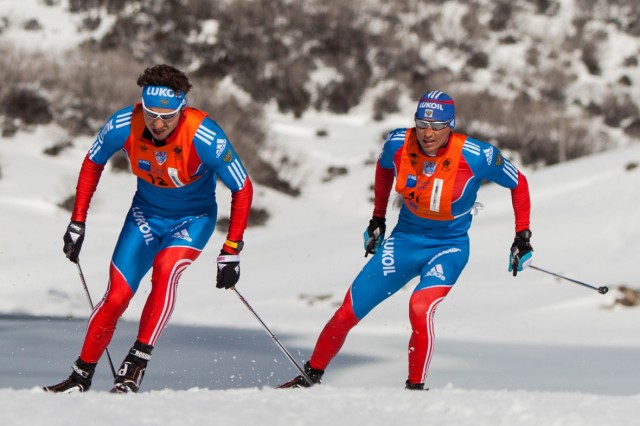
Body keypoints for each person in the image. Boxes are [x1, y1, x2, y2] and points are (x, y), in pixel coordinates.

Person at [278, 90, 532, 390]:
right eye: (422, 123)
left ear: (451, 125)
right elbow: (384, 168)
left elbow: (519, 182)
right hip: (404, 241)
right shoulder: (399, 143)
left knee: (420, 306)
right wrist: (377, 218)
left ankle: (414, 390)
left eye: (437, 126)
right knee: (348, 310)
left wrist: (522, 236)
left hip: (448, 247)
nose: (428, 132)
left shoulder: (477, 155)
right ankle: (310, 376)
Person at [44, 64, 253, 393]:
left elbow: (242, 188)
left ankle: (136, 363)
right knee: (116, 298)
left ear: (182, 110)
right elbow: (92, 162)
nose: (157, 123)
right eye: (151, 113)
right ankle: (80, 376)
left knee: (166, 269)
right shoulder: (124, 123)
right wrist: (77, 220)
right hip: (144, 216)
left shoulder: (204, 134)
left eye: (166, 117)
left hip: (193, 220)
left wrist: (231, 250)